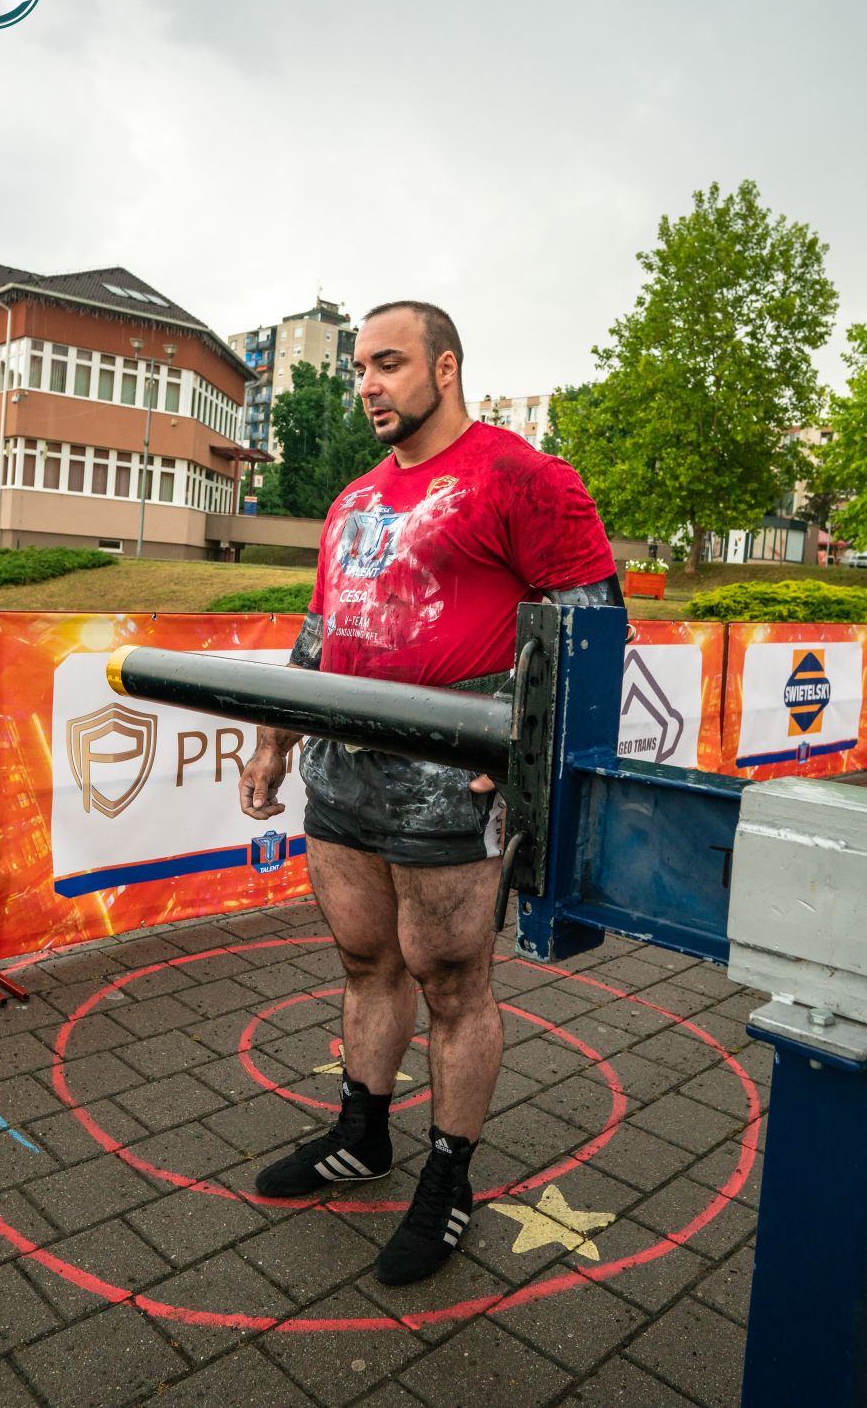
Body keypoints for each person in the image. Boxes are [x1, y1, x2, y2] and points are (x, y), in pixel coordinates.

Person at [239, 301, 623, 1286]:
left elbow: (590, 626)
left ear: (444, 368)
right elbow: (321, 631)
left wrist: (528, 754)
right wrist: (274, 742)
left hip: (451, 779)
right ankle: (361, 1136)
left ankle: (447, 1181)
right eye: (360, 368)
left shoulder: (521, 477)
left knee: (452, 984)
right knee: (364, 960)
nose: (367, 384)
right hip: (343, 770)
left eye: (389, 364)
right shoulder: (354, 498)